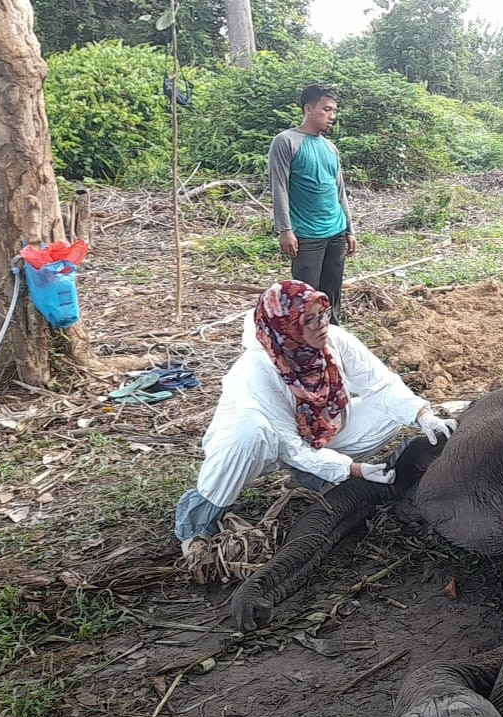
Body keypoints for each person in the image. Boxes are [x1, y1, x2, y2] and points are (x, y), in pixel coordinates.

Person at [174, 281, 455, 551]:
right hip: (262, 441)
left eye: (323, 314)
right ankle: (199, 520)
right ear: (286, 326)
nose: (322, 325)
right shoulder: (256, 369)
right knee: (249, 435)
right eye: (309, 320)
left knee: (391, 410)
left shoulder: (333, 341)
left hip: (318, 430)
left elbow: (380, 384)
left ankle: (312, 474)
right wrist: (353, 470)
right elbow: (290, 445)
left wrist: (422, 415)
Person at [269, 84, 357, 325]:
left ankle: (333, 337)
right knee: (305, 296)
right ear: (309, 109)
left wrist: (349, 229)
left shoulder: (330, 148)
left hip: (336, 230)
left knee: (333, 291)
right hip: (307, 234)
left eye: (334, 111)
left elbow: (339, 191)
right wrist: (285, 229)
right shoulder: (286, 141)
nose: (332, 116)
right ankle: (302, 343)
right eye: (326, 109)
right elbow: (279, 187)